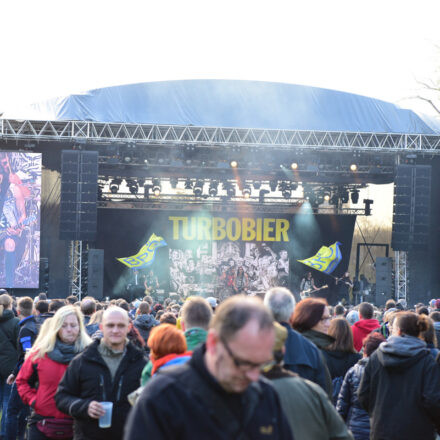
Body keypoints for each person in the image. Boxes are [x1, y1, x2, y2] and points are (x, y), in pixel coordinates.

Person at [124, 295, 293, 440]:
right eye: (243, 363)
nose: (255, 376)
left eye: (261, 365)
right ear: (213, 343)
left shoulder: (266, 396)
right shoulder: (162, 397)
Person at [55, 306, 148, 440]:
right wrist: (85, 407)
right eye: (110, 325)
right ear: (101, 327)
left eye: (120, 326)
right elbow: (62, 397)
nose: (115, 330)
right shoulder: (83, 361)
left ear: (129, 327)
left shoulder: (140, 363)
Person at [263, 322, 354, 440]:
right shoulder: (312, 391)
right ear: (283, 350)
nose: (326, 324)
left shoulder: (241, 390)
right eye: (323, 319)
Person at [358, 311, 440, 440]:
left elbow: (363, 394)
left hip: (382, 430)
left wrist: (378, 414)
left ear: (399, 331)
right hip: (418, 431)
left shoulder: (376, 357)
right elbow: (433, 400)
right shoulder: (426, 360)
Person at [16, 305, 91, 440]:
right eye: (64, 325)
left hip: (78, 424)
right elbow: (22, 381)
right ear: (56, 327)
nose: (69, 329)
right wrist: (35, 401)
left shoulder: (90, 354)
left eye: (73, 325)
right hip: (42, 424)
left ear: (80, 327)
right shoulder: (40, 353)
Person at [264, 287, 331, 393]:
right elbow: (324, 397)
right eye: (324, 319)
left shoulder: (249, 345)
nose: (329, 324)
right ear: (292, 316)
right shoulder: (311, 350)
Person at [336, 332, 386, 440]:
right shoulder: (389, 373)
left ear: (365, 350)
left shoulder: (353, 371)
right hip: (380, 428)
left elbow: (342, 404)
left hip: (356, 428)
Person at [6, 296, 39, 440]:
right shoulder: (33, 326)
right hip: (28, 374)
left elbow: (28, 355)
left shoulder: (26, 330)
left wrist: (17, 373)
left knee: (12, 411)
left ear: (18, 311)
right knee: (24, 410)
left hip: (25, 375)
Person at [290, 297, 334, 397]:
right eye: (324, 319)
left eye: (329, 318)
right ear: (310, 320)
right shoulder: (308, 351)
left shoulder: (310, 347)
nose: (328, 324)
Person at [323, 318, 361, 405]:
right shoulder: (357, 359)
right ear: (349, 335)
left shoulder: (320, 355)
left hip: (326, 405)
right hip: (348, 407)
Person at [0, 293, 20, 439]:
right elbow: (20, 347)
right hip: (9, 368)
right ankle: (4, 433)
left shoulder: (15, 322)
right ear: (10, 305)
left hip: (6, 366)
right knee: (8, 402)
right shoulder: (16, 323)